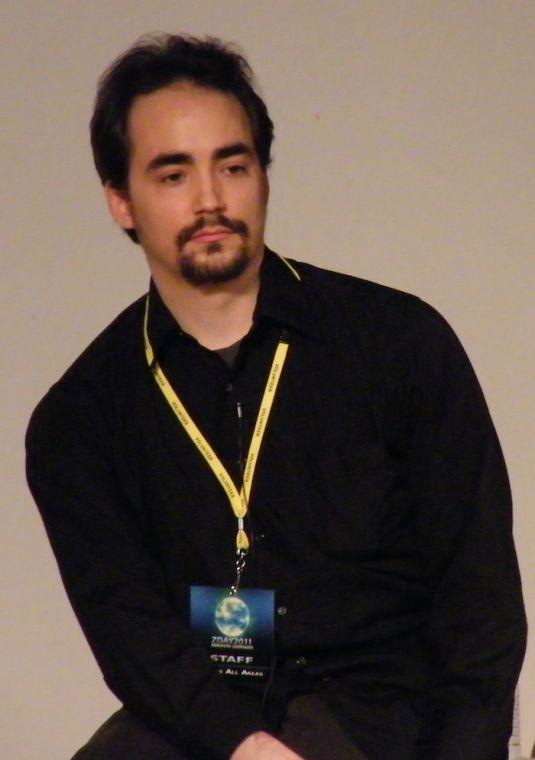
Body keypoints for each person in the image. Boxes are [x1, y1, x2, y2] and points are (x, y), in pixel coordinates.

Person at [26, 34, 526, 760]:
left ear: (262, 175)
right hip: (204, 720)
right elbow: (129, 634)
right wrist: (242, 743)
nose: (209, 199)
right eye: (172, 175)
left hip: (387, 716)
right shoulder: (80, 419)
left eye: (232, 165)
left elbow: (477, 596)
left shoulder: (397, 343)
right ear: (119, 201)